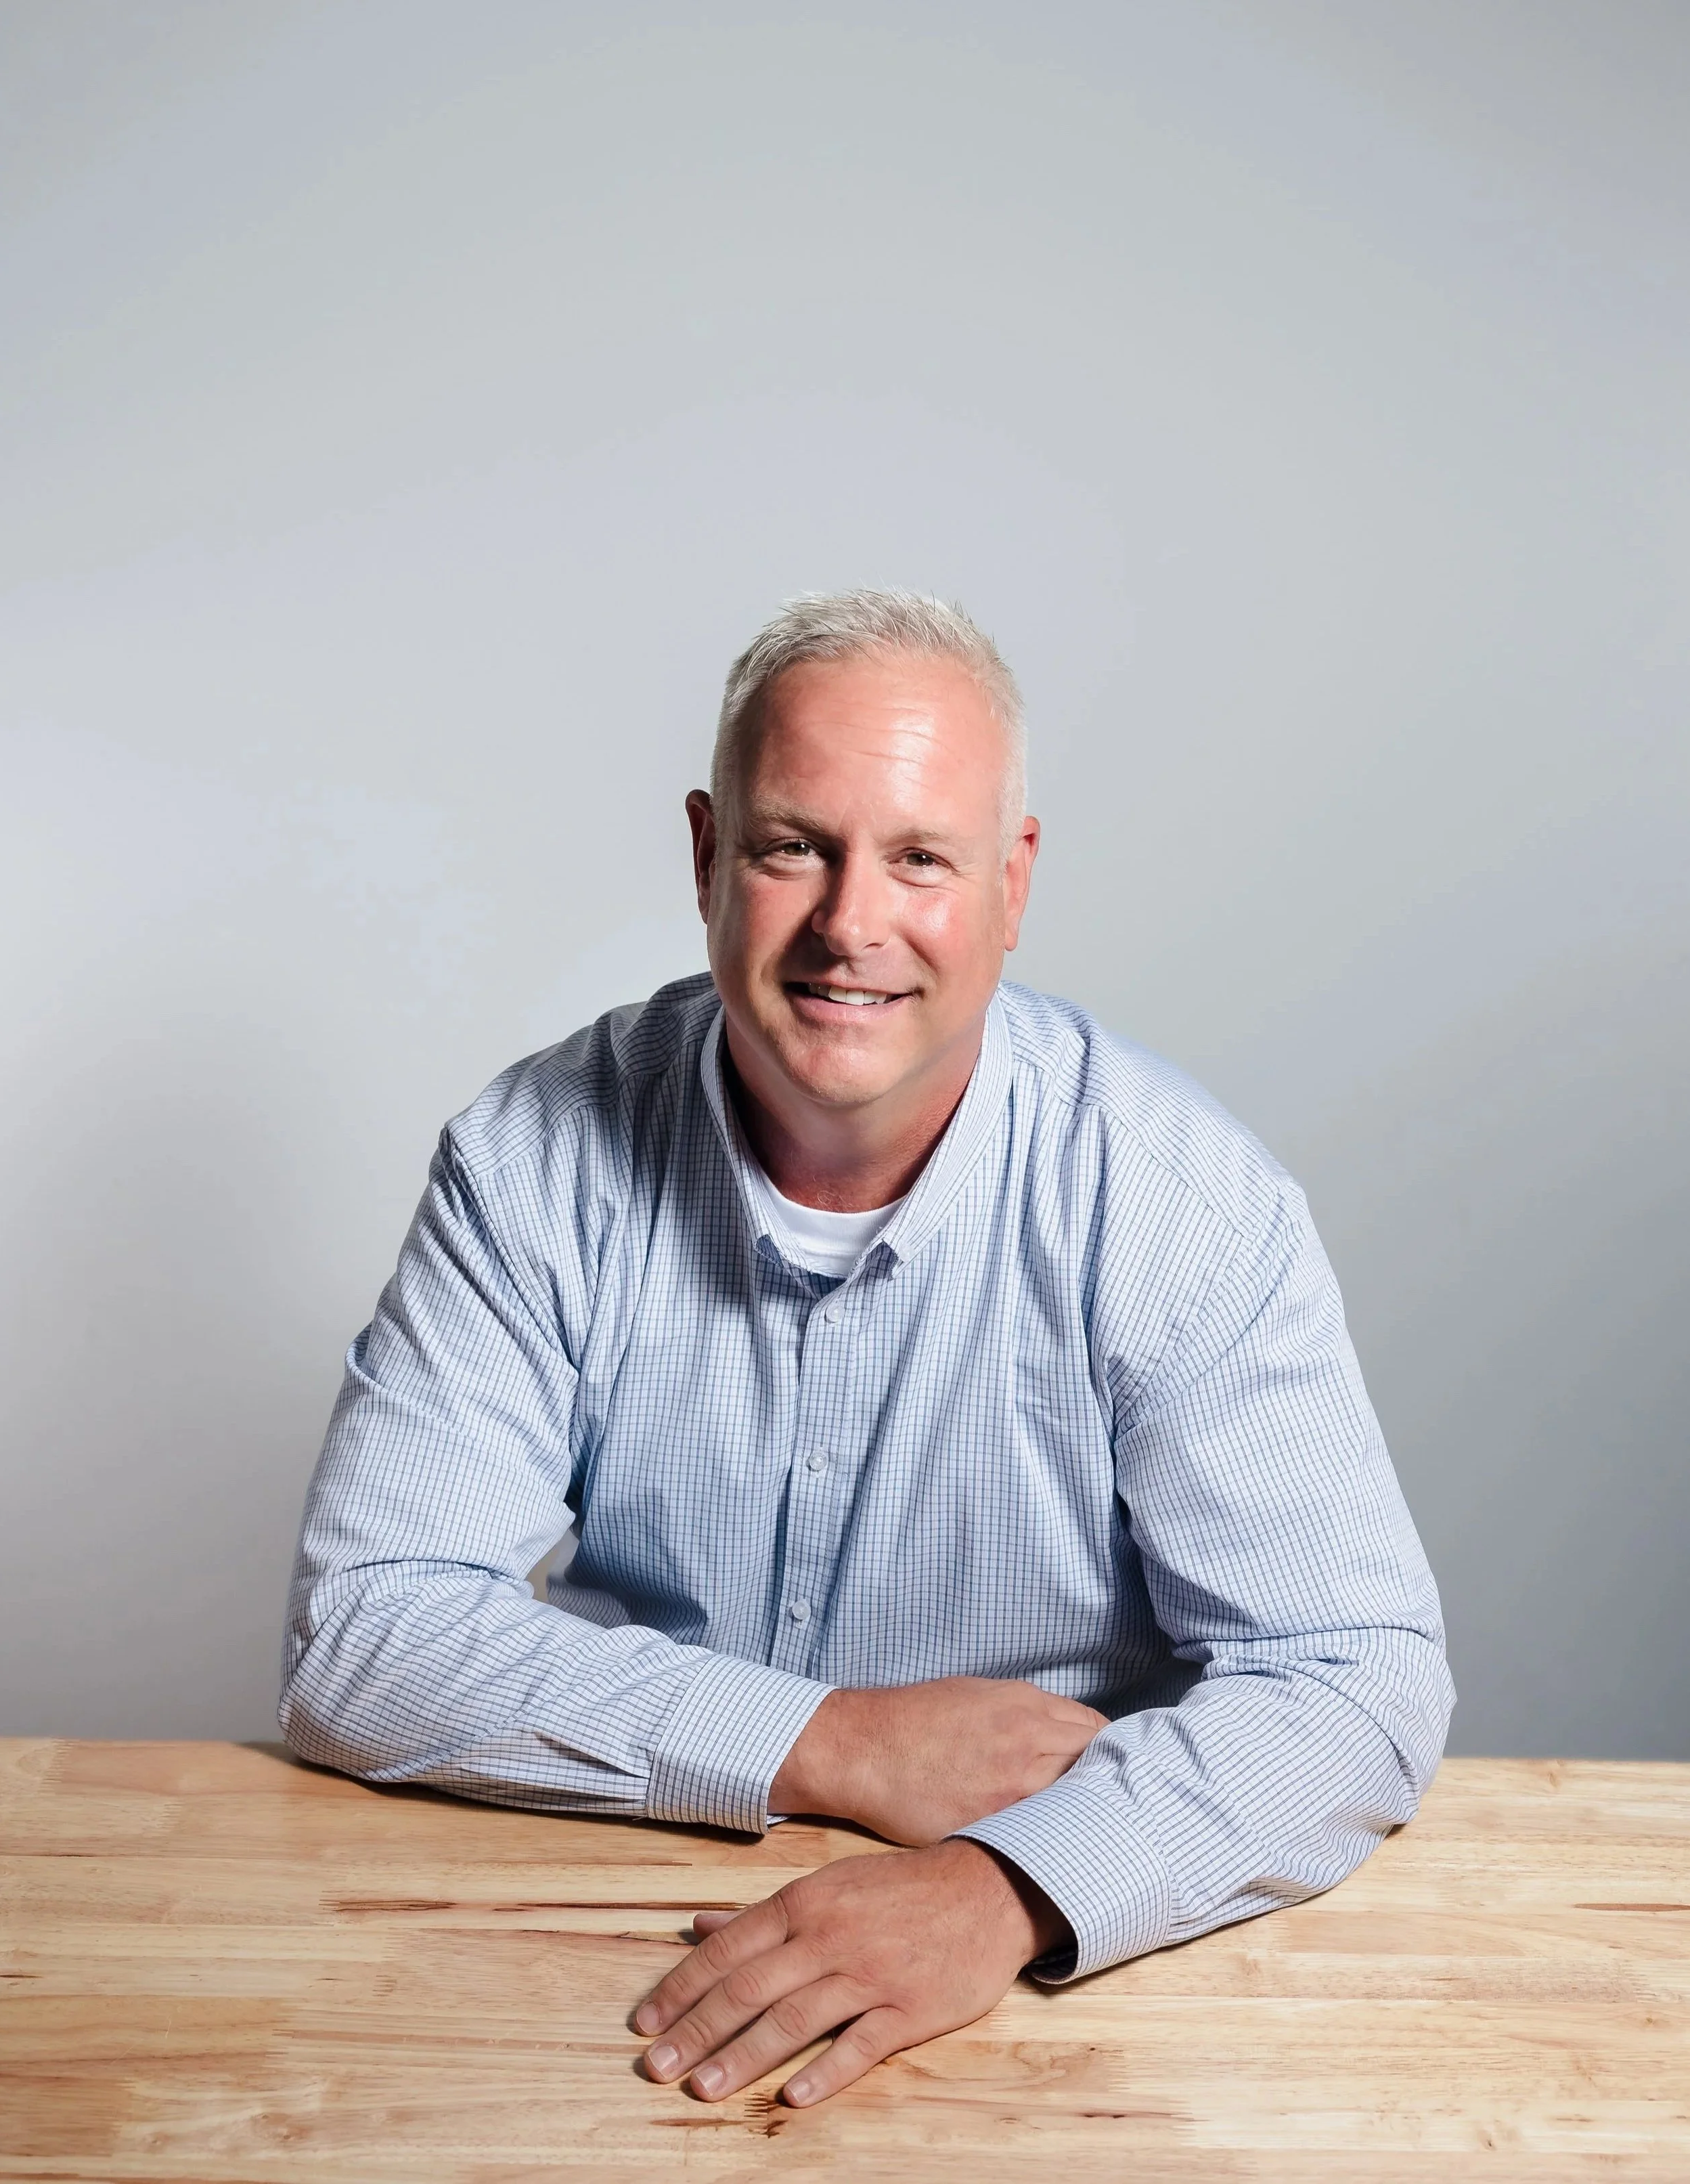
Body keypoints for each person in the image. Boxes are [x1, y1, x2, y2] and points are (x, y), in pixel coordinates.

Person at [282, 588, 1452, 2109]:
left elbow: (1353, 1678)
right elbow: (364, 1628)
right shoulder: (533, 1160)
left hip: (1060, 1988)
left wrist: (1004, 1889)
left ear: (1011, 881)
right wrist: (834, 1743)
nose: (851, 924)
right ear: (706, 854)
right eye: (794, 847)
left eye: (920, 858)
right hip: (603, 1931)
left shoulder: (1180, 1205)